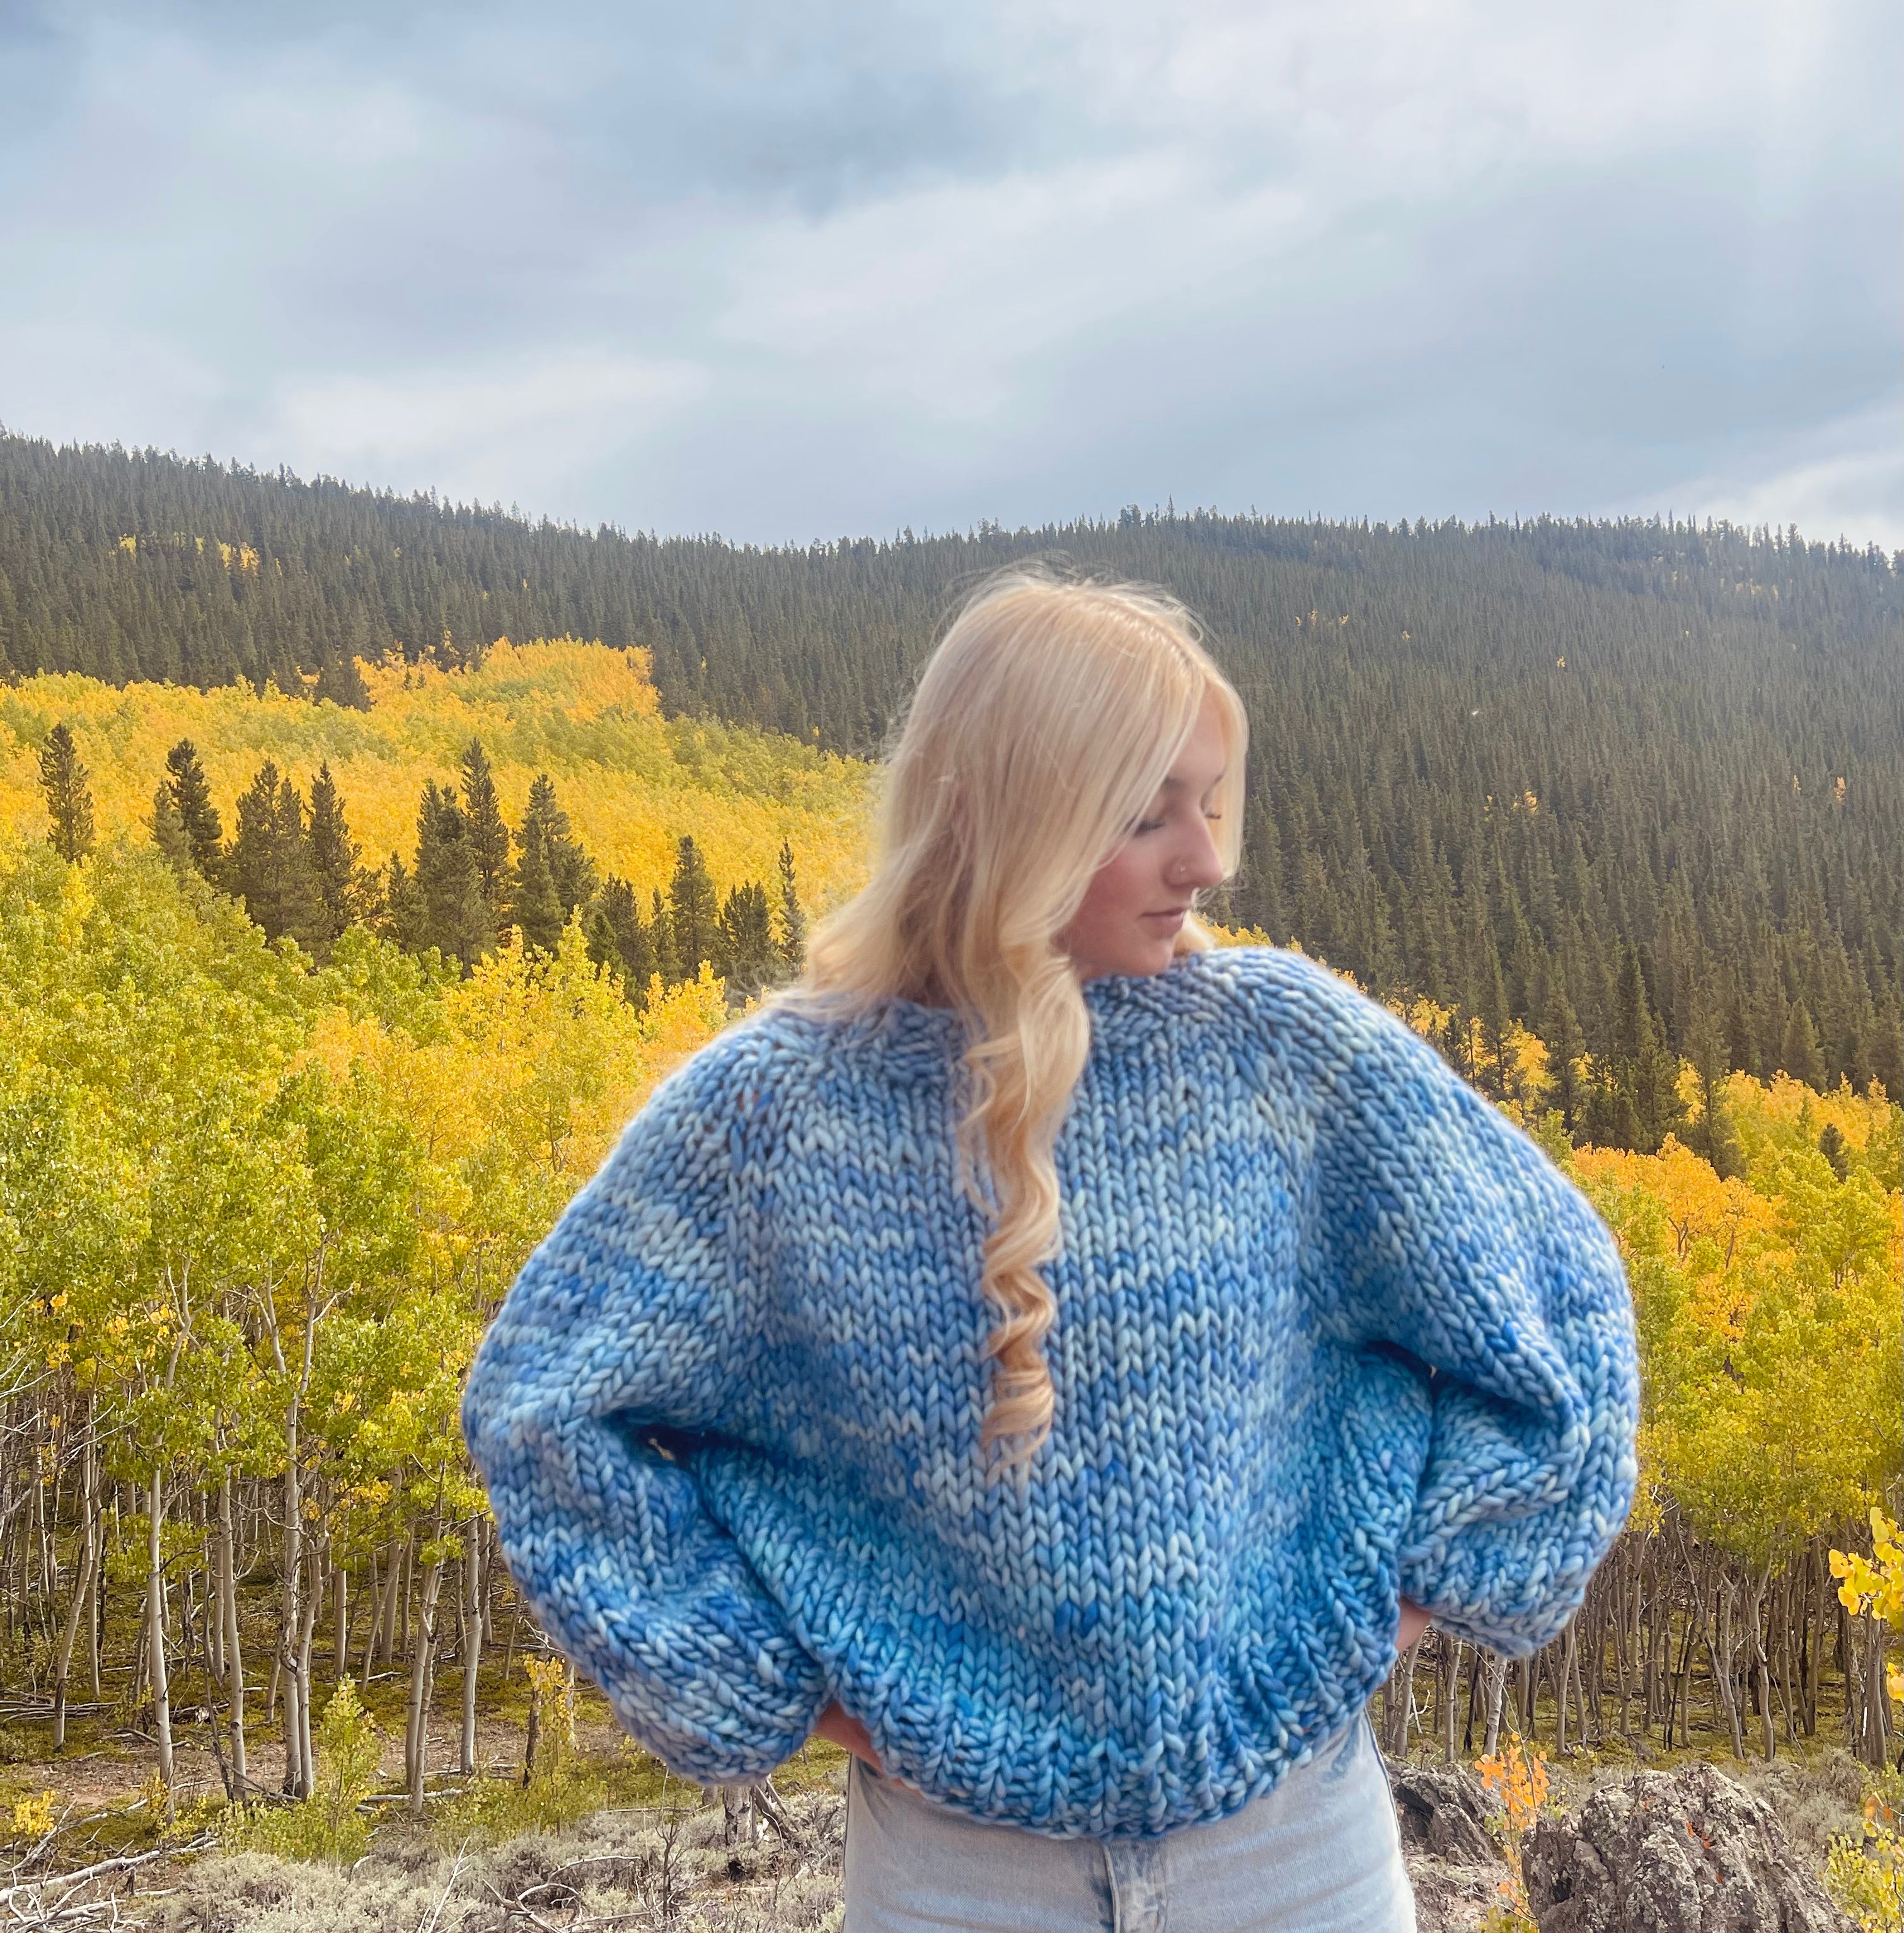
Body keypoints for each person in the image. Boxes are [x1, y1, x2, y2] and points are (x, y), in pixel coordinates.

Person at [463, 569, 1640, 1932]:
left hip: (1291, 1853)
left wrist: (1412, 1600)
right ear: (1005, 816)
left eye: (1209, 801)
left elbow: (1555, 1296)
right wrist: (779, 1690)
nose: (1203, 859)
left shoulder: (1281, 1050)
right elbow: (544, 1407)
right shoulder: (774, 1111)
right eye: (1146, 815)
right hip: (958, 1878)